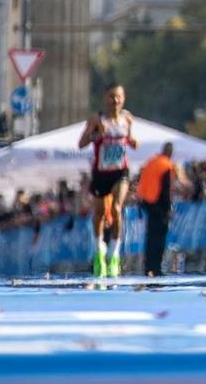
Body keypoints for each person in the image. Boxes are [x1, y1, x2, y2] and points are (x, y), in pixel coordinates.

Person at [76, 84, 138, 278]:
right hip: (101, 172)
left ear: (124, 98)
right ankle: (98, 250)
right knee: (100, 213)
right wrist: (96, 135)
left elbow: (133, 140)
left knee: (117, 209)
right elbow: (81, 144)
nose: (115, 101)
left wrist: (133, 141)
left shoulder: (127, 118)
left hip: (121, 171)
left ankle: (114, 253)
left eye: (119, 97)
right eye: (112, 97)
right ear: (105, 98)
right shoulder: (97, 119)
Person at [137, 141, 185, 277]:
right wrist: (168, 208)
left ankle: (148, 267)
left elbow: (143, 182)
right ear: (170, 153)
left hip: (147, 202)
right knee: (159, 238)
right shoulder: (166, 165)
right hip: (158, 204)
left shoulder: (151, 162)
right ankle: (156, 268)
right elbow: (165, 189)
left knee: (150, 237)